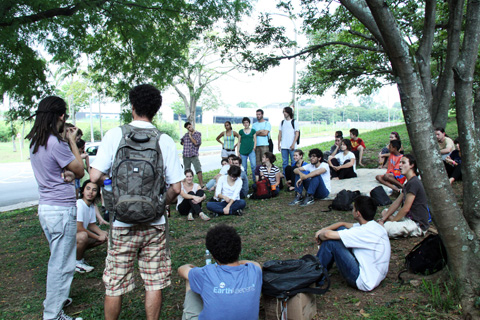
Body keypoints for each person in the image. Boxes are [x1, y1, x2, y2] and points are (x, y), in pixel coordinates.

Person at [90, 84, 184, 320]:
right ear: (156, 110)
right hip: (155, 223)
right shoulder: (165, 141)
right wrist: (162, 204)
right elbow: (176, 188)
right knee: (153, 282)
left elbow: (93, 176)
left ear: (132, 107)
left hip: (121, 222)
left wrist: (113, 189)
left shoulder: (115, 135)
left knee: (115, 283)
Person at [26, 96, 84, 320]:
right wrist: (71, 140)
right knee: (62, 264)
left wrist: (66, 174)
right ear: (60, 116)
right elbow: (80, 170)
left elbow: (57, 170)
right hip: (61, 209)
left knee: (57, 258)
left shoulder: (36, 141)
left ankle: (56, 299)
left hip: (47, 208)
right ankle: (53, 314)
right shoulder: (56, 143)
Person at [178, 224, 262, 320]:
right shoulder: (255, 270)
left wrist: (194, 267)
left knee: (190, 279)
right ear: (239, 249)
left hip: (207, 271)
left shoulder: (206, 273)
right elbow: (254, 263)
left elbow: (182, 269)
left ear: (213, 256)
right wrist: (239, 262)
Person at [315, 196, 391, 291]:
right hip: (376, 274)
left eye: (354, 208)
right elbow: (343, 224)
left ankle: (315, 277)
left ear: (358, 213)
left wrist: (319, 236)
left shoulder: (362, 231)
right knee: (341, 231)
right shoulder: (374, 226)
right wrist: (322, 230)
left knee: (331, 242)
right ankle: (321, 270)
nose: (352, 210)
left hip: (363, 280)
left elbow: (326, 235)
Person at [378, 154, 430, 238]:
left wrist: (391, 222)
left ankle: (393, 224)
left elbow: (406, 209)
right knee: (385, 212)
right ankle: (393, 223)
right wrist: (383, 219)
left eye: (403, 163)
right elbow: (397, 202)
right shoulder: (408, 182)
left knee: (386, 227)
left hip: (416, 223)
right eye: (400, 162)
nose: (400, 165)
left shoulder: (414, 183)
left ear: (412, 165)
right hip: (408, 218)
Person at [75, 180, 108, 273]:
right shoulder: (79, 204)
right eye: (88, 189)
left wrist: (103, 234)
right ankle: (77, 262)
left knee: (104, 234)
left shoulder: (91, 206)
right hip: (69, 238)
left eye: (94, 190)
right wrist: (98, 236)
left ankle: (77, 255)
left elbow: (91, 225)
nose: (90, 192)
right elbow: (79, 228)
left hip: (76, 237)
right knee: (83, 236)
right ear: (83, 191)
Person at [278, 106, 300, 175]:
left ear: (289, 113)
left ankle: (293, 175)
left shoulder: (294, 122)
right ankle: (286, 175)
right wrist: (278, 144)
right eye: (283, 112)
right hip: (284, 145)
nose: (284, 113)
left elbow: (297, 133)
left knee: (293, 161)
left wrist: (293, 144)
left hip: (292, 145)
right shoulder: (282, 122)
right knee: (285, 162)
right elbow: (280, 134)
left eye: (285, 112)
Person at [181, 122, 204, 187]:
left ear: (191, 125)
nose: (189, 129)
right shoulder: (186, 135)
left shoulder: (198, 134)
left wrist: (190, 136)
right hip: (186, 155)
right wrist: (185, 144)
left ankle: (201, 184)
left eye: (189, 127)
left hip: (194, 155)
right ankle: (187, 185)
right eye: (187, 128)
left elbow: (196, 143)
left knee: (198, 169)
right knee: (186, 170)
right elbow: (182, 141)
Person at [238, 117, 257, 182]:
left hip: (251, 150)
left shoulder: (253, 131)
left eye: (247, 122)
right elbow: (238, 142)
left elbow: (255, 140)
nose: (246, 124)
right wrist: (238, 151)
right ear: (243, 124)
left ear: (249, 123)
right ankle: (245, 182)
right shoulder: (241, 131)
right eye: (244, 122)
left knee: (253, 166)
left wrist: (254, 147)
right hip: (243, 151)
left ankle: (255, 181)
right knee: (244, 168)